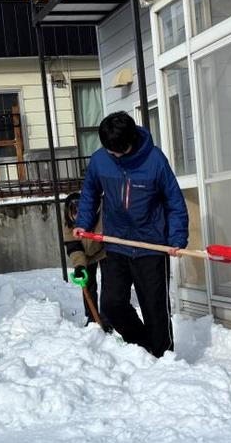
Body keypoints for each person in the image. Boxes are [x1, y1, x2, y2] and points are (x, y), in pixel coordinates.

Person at [73, 111, 189, 358]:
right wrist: (83, 222)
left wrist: (177, 238)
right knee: (112, 305)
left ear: (130, 142)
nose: (111, 155)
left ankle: (162, 356)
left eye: (115, 150)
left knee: (155, 308)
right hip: (116, 245)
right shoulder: (100, 160)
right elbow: (90, 192)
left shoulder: (155, 161)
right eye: (107, 149)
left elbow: (174, 201)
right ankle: (141, 344)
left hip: (151, 246)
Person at [62, 192, 109, 329]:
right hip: (85, 254)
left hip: (104, 250)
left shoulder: (100, 216)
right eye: (74, 213)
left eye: (80, 212)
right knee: (88, 284)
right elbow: (73, 246)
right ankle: (92, 317)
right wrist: (79, 266)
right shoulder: (69, 226)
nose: (78, 217)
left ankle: (107, 317)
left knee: (109, 284)